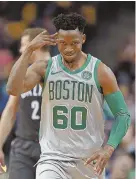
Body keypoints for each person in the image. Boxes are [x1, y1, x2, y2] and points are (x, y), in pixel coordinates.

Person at [6, 13, 131, 179]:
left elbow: (122, 115)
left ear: (84, 39)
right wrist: (28, 50)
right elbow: (13, 89)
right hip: (53, 159)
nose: (69, 48)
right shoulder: (44, 68)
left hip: (88, 161)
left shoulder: (101, 71)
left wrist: (108, 149)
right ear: (56, 39)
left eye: (75, 43)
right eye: (63, 43)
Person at [0, 27, 51, 179]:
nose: (22, 49)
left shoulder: (59, 70)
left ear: (38, 44)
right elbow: (10, 110)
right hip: (23, 146)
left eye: (25, 44)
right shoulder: (23, 74)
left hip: (51, 148)